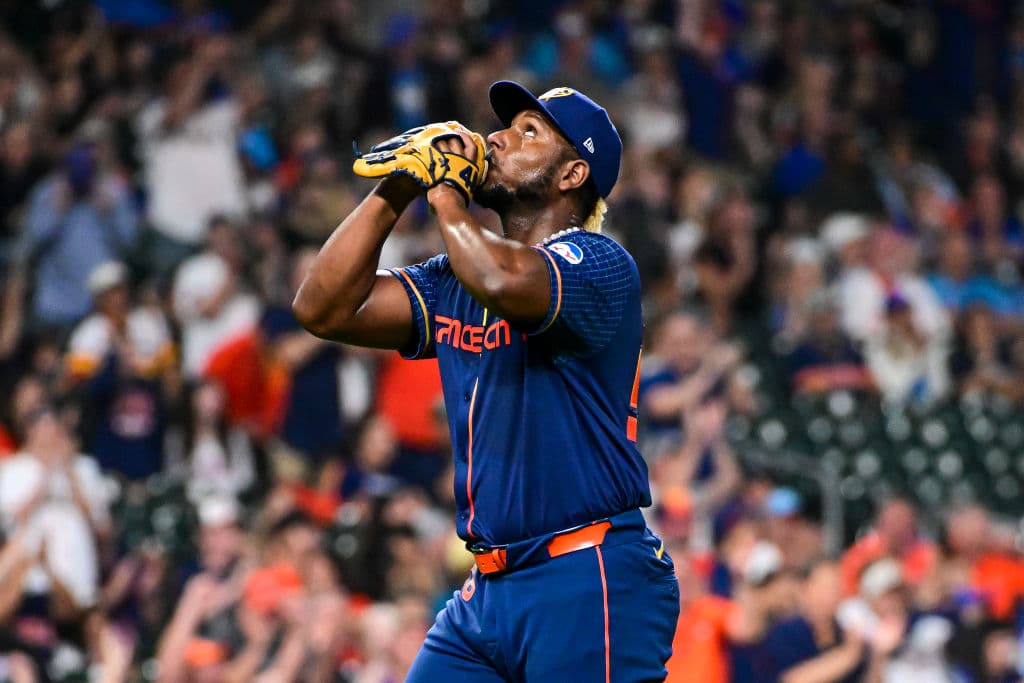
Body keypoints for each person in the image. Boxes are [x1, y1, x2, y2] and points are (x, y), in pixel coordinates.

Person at [294, 81, 679, 681]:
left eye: (529, 132)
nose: (497, 137)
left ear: (572, 174)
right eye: (506, 125)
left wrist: (446, 192)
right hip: (488, 594)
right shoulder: (456, 277)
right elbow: (322, 308)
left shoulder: (602, 265)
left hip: (588, 572)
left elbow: (503, 282)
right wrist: (398, 187)